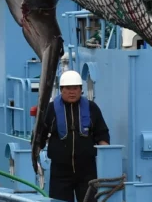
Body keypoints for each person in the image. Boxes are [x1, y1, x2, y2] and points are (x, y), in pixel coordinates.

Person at [35, 70, 110, 202]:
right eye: (68, 88)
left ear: (81, 90)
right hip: (60, 172)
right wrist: (35, 152)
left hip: (87, 171)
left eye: (75, 88)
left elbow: (102, 133)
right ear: (61, 90)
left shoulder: (92, 108)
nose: (72, 92)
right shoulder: (51, 109)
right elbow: (40, 134)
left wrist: (108, 159)